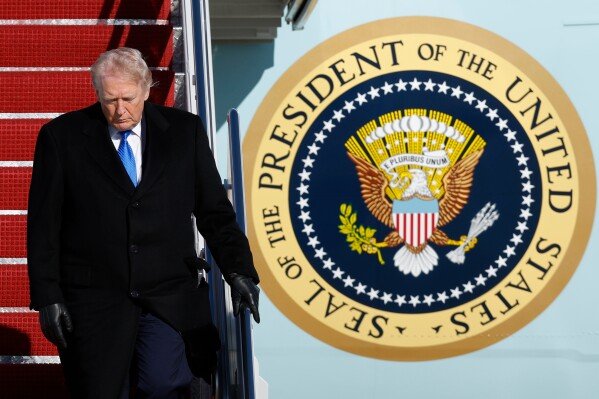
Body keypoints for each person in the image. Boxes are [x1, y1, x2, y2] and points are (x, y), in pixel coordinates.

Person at [27, 47, 260, 398]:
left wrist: (239, 269)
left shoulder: (184, 133)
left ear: (147, 89)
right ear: (97, 94)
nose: (119, 110)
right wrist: (48, 296)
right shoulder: (62, 138)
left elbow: (214, 211)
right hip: (93, 300)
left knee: (165, 386)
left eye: (128, 98)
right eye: (109, 100)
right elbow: (44, 226)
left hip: (167, 294)